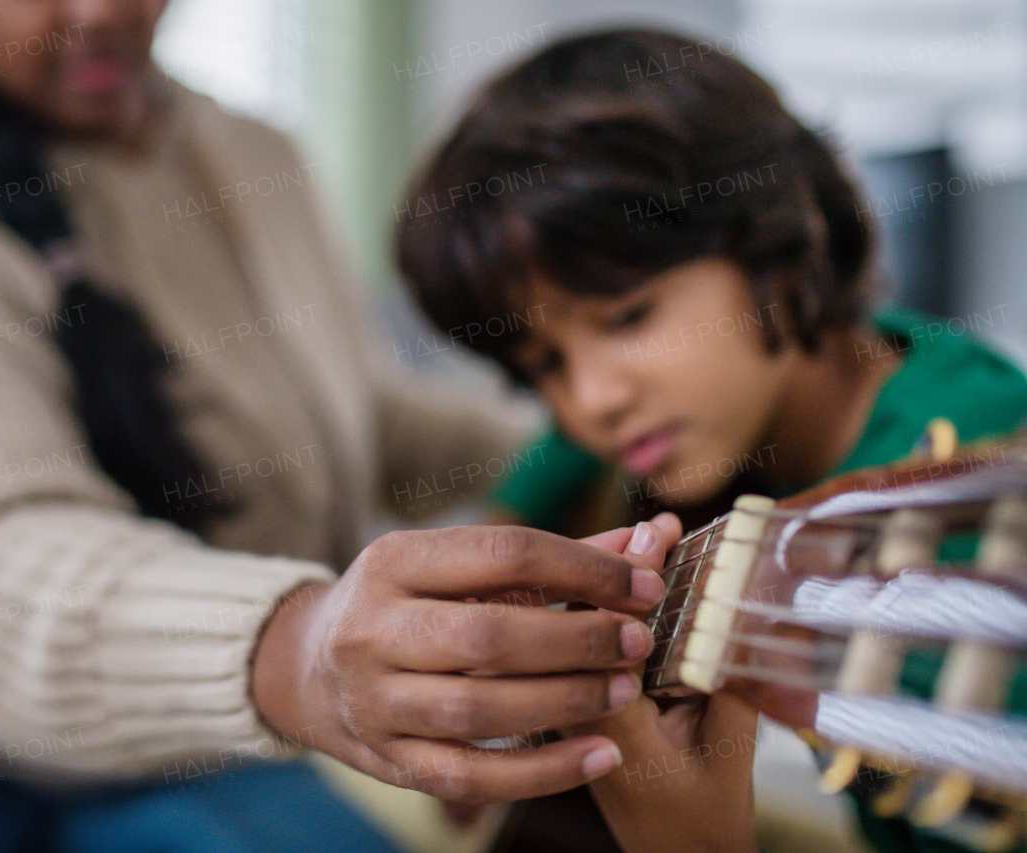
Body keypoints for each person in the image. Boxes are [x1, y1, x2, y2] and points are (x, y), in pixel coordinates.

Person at [0, 4, 683, 852]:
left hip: (200, 733)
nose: (103, 10)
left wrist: (589, 427)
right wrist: (298, 650)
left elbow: (363, 419)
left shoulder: (258, 157)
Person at [395, 28, 1027, 853]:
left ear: (774, 234)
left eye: (627, 316)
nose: (592, 403)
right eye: (544, 362)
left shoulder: (962, 466)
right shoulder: (725, 398)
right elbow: (555, 461)